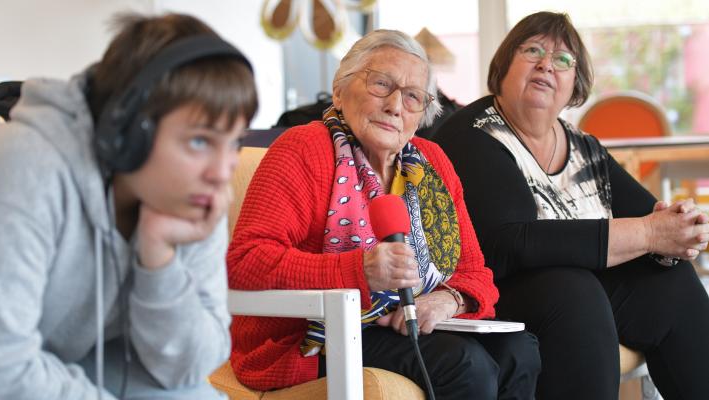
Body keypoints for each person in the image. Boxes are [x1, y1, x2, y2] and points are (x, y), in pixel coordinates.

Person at [0, 13, 258, 399]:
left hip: (53, 362)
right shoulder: (19, 165)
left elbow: (188, 369)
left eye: (233, 143)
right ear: (127, 133)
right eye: (200, 141)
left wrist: (160, 261)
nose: (222, 172)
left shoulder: (190, 193)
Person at [227, 29, 540, 399]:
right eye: (381, 84)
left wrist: (448, 300)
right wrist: (359, 272)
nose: (395, 106)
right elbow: (246, 262)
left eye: (413, 97)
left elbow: (475, 273)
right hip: (312, 336)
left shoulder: (432, 163)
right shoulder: (303, 148)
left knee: (521, 351)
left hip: (406, 324)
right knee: (464, 366)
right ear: (340, 91)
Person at [432, 11, 709, 400]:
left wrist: (676, 231)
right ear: (504, 65)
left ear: (574, 83)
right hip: (485, 294)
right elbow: (512, 242)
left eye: (563, 59)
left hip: (575, 295)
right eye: (532, 50)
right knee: (573, 290)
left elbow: (653, 221)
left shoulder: (583, 147)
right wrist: (648, 233)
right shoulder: (473, 134)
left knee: (672, 285)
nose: (547, 63)